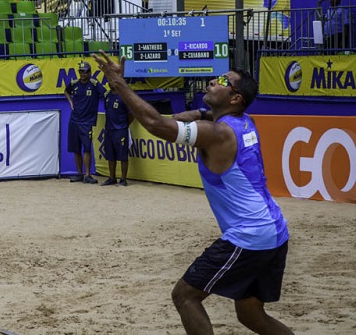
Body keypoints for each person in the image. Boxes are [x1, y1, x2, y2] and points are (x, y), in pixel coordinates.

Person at [93, 51, 293, 335]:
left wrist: (120, 85)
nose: (213, 81)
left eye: (224, 81)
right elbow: (197, 115)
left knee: (185, 296)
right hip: (275, 231)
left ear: (235, 98)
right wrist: (187, 116)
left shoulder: (218, 134)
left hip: (250, 236)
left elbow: (157, 125)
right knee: (251, 315)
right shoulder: (243, 121)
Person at [64, 60, 105, 184]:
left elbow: (104, 94)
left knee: (87, 149)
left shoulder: (94, 84)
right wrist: (70, 102)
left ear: (90, 72)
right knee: (76, 149)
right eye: (81, 71)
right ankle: (79, 174)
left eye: (85, 71)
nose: (83, 74)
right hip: (74, 120)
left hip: (87, 121)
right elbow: (66, 91)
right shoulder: (74, 83)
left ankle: (87, 175)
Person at [101, 81, 133, 186]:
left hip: (121, 129)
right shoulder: (107, 95)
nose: (110, 83)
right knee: (110, 155)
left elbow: (131, 114)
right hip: (109, 129)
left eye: (112, 81)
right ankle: (112, 178)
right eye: (109, 81)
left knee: (123, 155)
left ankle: (123, 179)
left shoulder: (123, 96)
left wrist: (124, 125)